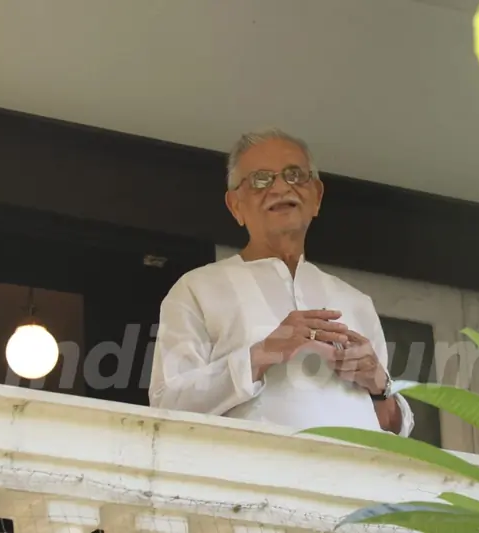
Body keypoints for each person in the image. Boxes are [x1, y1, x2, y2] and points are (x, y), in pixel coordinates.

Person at [148, 128, 414, 436]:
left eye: (294, 175)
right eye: (261, 179)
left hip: (356, 478)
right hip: (252, 475)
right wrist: (263, 353)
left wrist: (380, 386)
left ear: (316, 197)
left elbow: (393, 430)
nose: (279, 187)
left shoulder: (355, 301)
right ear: (236, 206)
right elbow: (166, 406)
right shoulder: (198, 289)